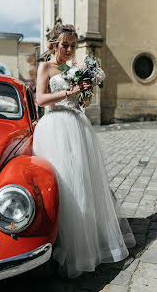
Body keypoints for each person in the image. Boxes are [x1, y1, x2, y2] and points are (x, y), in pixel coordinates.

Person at [33, 23, 136, 278]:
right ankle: (58, 241)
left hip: (76, 127)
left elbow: (79, 102)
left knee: (81, 181)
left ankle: (85, 245)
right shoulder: (45, 67)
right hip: (54, 128)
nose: (69, 49)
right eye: (64, 45)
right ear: (54, 45)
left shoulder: (73, 69)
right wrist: (69, 91)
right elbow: (40, 99)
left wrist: (84, 97)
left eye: (72, 45)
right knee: (61, 183)